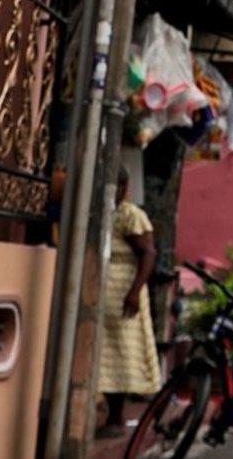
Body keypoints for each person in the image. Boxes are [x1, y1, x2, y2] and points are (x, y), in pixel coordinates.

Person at [96, 168, 162, 438]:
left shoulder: (130, 214)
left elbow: (148, 253)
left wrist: (134, 291)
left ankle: (116, 417)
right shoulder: (101, 211)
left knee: (120, 352)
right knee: (104, 353)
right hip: (103, 289)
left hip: (123, 291)